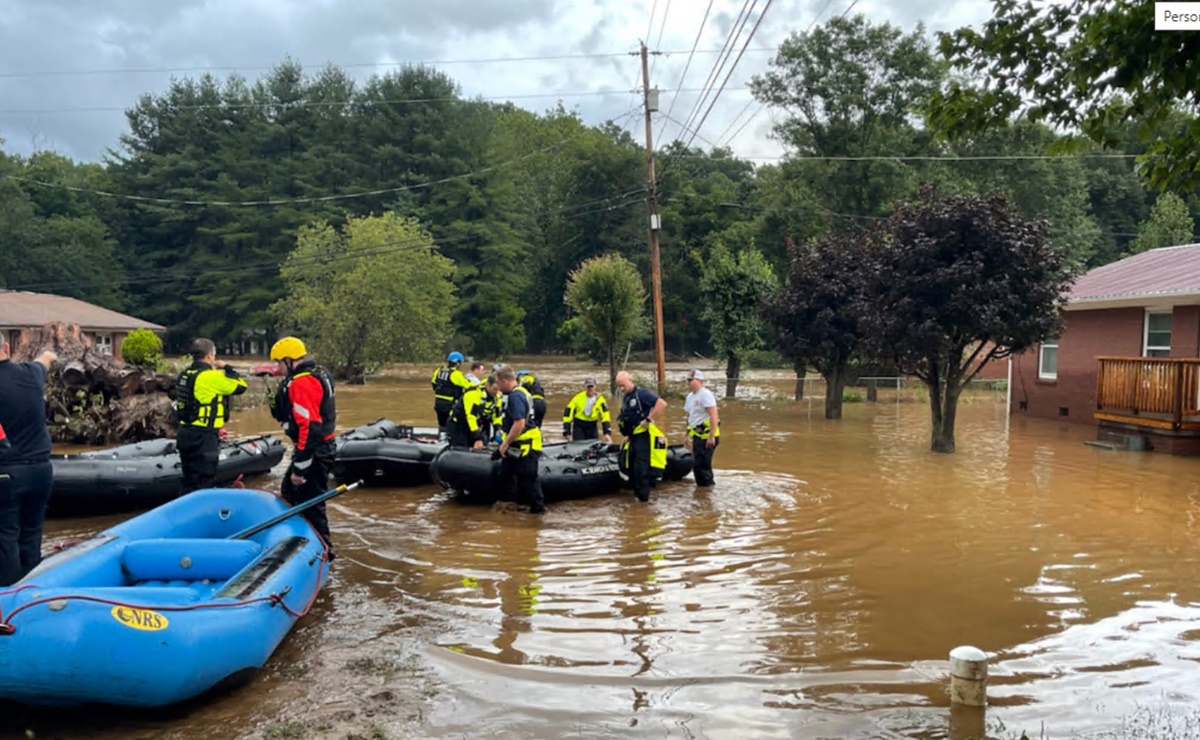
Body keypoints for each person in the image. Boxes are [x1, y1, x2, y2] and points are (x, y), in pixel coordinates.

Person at [269, 336, 338, 559]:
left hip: (315, 450)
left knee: (310, 503)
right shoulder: (318, 372)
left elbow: (309, 427)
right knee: (290, 493)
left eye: (280, 363)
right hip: (318, 448)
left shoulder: (302, 383)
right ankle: (301, 542)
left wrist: (300, 469)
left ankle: (323, 552)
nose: (278, 368)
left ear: (290, 360)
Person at [0, 337, 57, 586]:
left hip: (7, 474)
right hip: (41, 470)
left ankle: (8, 599)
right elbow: (45, 360)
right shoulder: (31, 374)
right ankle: (34, 591)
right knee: (32, 534)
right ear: (7, 349)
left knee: (6, 537)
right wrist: (50, 353)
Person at [173, 338, 248, 494]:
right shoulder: (211, 377)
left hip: (185, 433)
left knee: (188, 479)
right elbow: (241, 386)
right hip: (204, 437)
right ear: (209, 356)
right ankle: (203, 513)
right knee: (204, 480)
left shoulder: (183, 375)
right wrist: (226, 367)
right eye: (214, 354)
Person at [495, 366, 544, 514]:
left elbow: (519, 423)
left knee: (529, 480)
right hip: (519, 444)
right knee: (506, 474)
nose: (497, 386)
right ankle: (510, 508)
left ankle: (537, 513)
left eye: (498, 383)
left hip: (526, 445)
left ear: (504, 381)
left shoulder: (515, 396)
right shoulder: (523, 391)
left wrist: (505, 443)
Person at [615, 371, 667, 503]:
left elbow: (661, 404)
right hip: (633, 437)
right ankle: (636, 499)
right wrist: (627, 436)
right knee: (631, 467)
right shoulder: (626, 397)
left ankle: (644, 501)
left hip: (643, 437)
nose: (621, 388)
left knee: (641, 469)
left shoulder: (641, 394)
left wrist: (648, 420)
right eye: (619, 386)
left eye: (623, 385)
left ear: (630, 380)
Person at [683, 369, 720, 487]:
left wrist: (711, 436)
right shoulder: (690, 396)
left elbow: (713, 415)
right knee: (698, 466)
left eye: (690, 380)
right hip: (697, 435)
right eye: (687, 380)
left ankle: (707, 491)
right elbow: (690, 416)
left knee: (702, 466)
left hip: (707, 436)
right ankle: (702, 491)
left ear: (699, 380)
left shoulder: (705, 395)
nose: (688, 383)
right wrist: (686, 435)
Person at [447, 374, 500, 449]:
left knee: (483, 444)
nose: (497, 392)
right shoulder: (474, 394)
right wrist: (477, 438)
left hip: (476, 425)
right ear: (488, 385)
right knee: (461, 447)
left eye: (499, 389)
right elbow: (471, 417)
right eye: (495, 389)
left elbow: (497, 415)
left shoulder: (497, 397)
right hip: (459, 424)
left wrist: (498, 429)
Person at [431, 351, 473, 433]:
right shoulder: (455, 374)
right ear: (457, 363)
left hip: (438, 402)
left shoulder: (438, 371)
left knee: (442, 424)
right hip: (450, 404)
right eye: (460, 362)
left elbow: (433, 383)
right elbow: (468, 386)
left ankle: (442, 437)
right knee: (451, 424)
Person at [562, 378, 612, 442]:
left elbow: (605, 415)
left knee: (593, 446)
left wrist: (607, 432)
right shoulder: (577, 398)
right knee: (579, 445)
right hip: (579, 425)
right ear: (585, 387)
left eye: (592, 386)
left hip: (592, 425)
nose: (590, 389)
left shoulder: (600, 400)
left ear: (595, 387)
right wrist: (566, 429)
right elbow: (568, 412)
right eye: (588, 386)